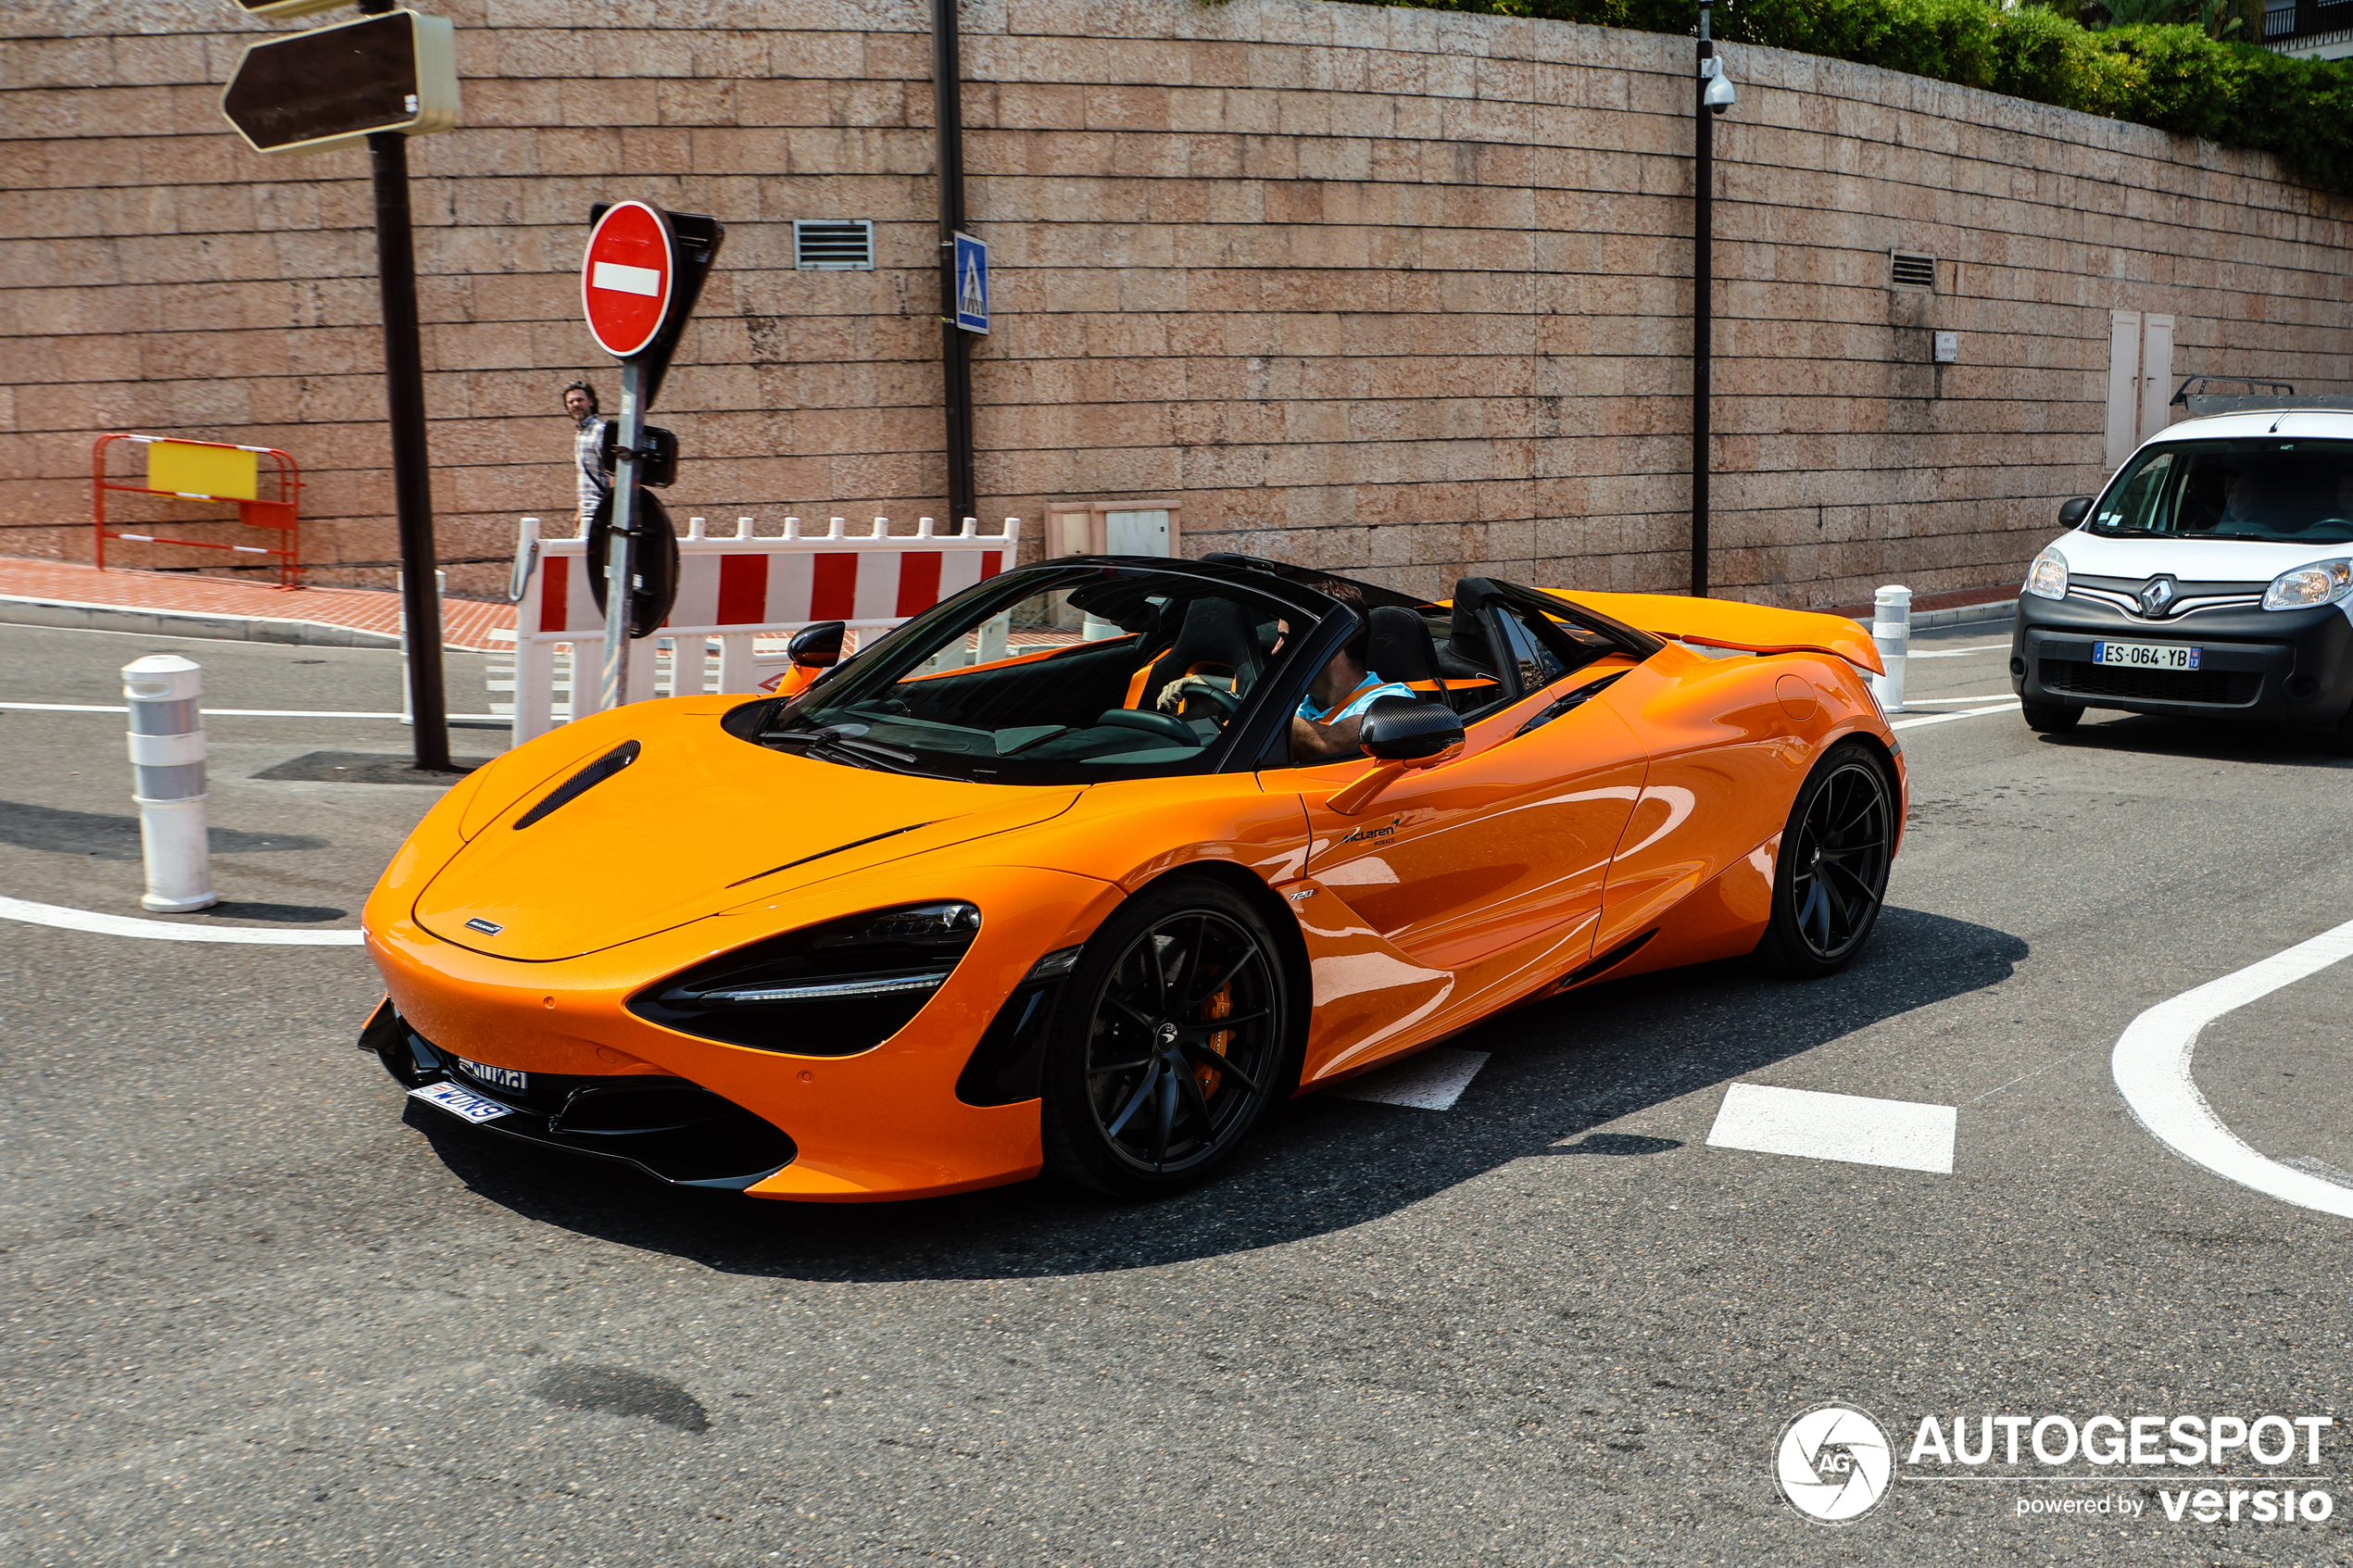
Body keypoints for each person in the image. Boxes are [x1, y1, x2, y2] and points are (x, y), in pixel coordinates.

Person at [1277, 617, 1415, 761]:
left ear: (1329, 644)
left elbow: (1334, 745)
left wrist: (1263, 717)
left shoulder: (1393, 700)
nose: (1275, 650)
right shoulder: (1299, 702)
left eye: (1287, 640)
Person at [563, 380, 609, 534]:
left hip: (600, 512)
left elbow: (614, 471)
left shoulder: (600, 431)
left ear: (590, 402)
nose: (575, 404)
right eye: (571, 402)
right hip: (587, 511)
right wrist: (579, 510)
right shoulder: (581, 433)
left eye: (580, 400)